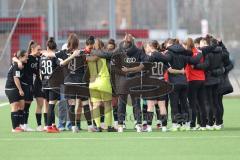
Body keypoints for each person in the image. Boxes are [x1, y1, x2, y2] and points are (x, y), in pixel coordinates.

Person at [13, 40, 43, 132]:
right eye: (38, 49)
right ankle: (23, 124)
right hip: (24, 84)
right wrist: (18, 62)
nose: (40, 51)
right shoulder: (28, 57)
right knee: (25, 106)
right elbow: (14, 57)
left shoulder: (38, 58)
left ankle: (24, 124)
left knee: (27, 105)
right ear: (32, 49)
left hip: (31, 85)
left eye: (40, 50)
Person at [87, 39, 117, 132]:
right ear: (102, 46)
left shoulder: (88, 56)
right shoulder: (104, 55)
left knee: (95, 105)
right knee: (107, 104)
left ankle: (98, 126)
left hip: (92, 82)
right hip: (103, 81)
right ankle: (109, 126)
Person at [40, 37, 60, 133]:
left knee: (48, 105)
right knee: (51, 106)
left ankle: (51, 125)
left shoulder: (42, 57)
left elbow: (40, 72)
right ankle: (48, 126)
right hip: (53, 84)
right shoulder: (55, 57)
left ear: (47, 46)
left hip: (44, 84)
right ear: (55, 48)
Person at [5, 50, 28, 132]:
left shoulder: (20, 63)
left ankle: (20, 126)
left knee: (22, 105)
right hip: (11, 88)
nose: (27, 58)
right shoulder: (16, 66)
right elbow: (16, 78)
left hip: (16, 88)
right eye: (25, 56)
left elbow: (14, 57)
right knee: (15, 106)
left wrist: (18, 61)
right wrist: (20, 90)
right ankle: (14, 128)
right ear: (21, 57)